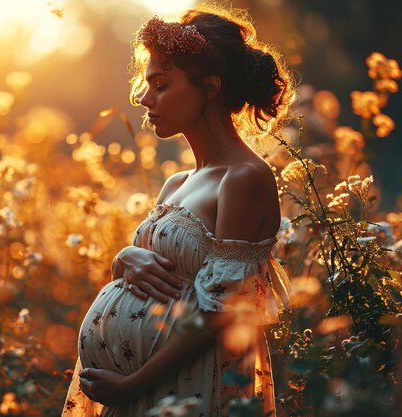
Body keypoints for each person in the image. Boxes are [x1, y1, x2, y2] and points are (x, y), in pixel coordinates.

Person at [62, 5, 293, 417]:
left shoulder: (243, 178)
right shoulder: (176, 183)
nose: (144, 98)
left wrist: (132, 385)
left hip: (190, 386)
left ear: (209, 85)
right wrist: (123, 260)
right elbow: (158, 280)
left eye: (161, 85)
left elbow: (222, 314)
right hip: (142, 391)